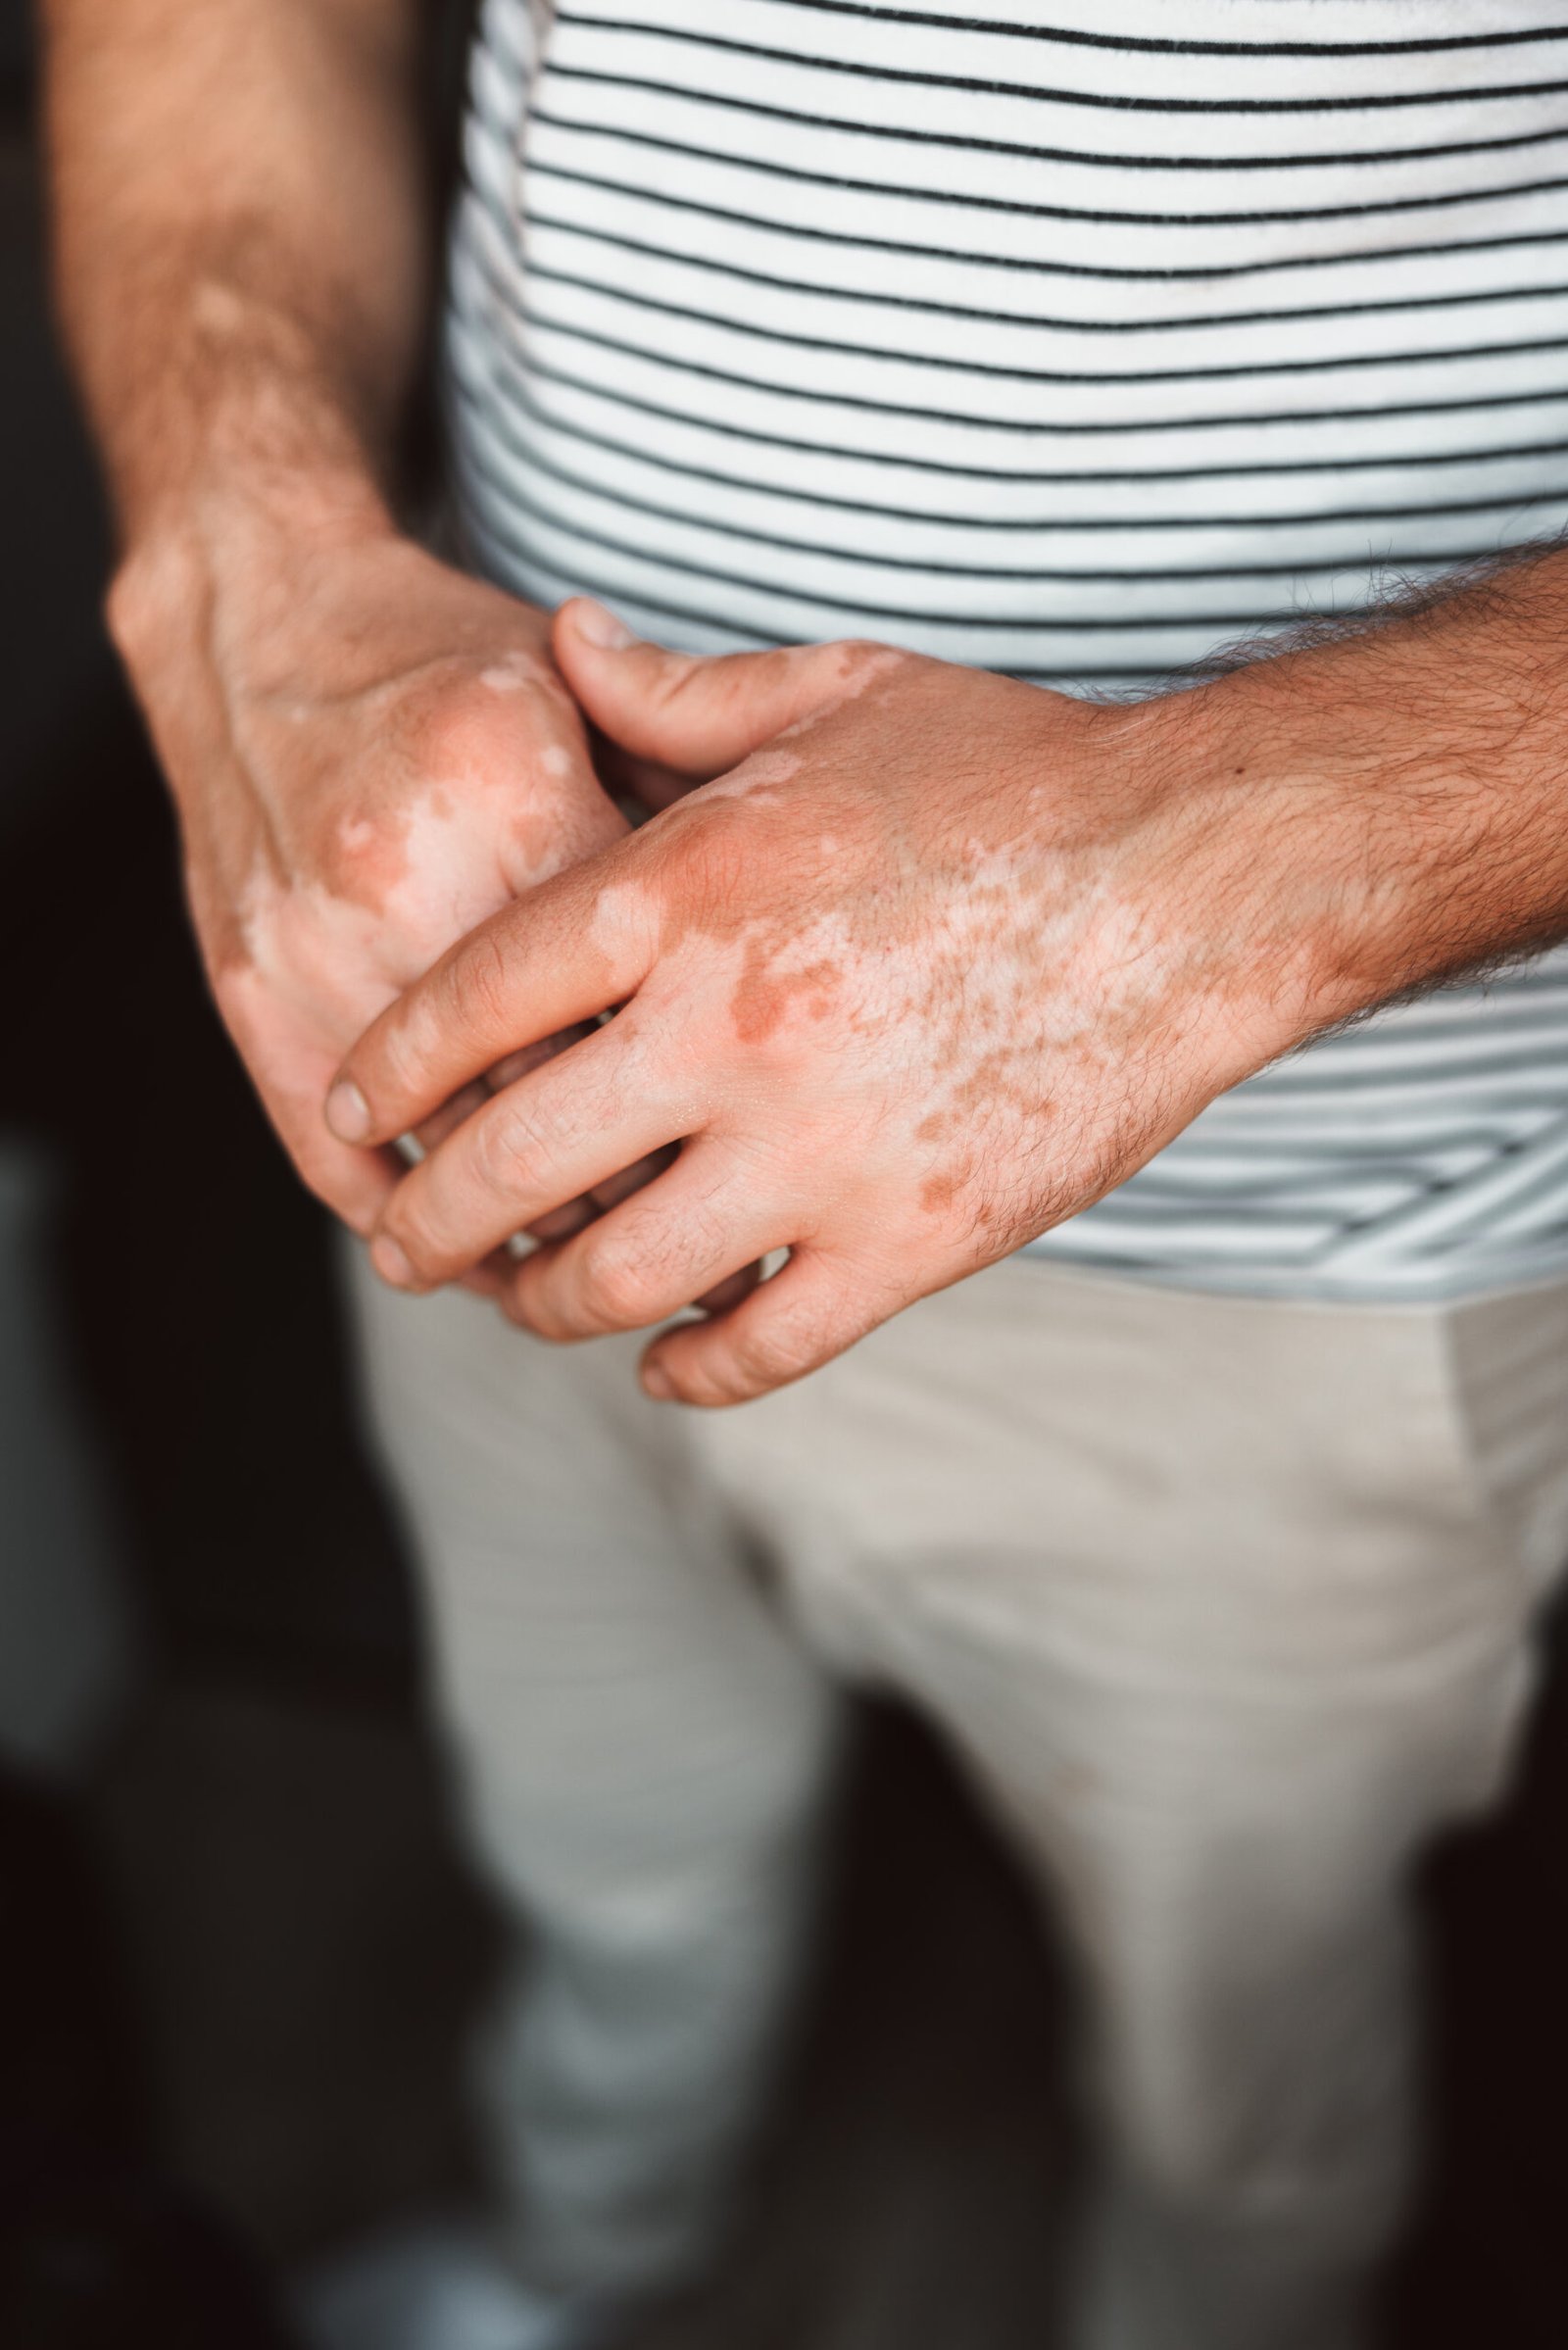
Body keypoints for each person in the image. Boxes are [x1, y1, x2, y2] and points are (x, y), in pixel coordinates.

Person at [42, 2, 1568, 2345]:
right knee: (597, 1831)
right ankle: (587, 2240)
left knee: (1234, 2087)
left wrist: (1194, 864)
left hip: (1296, 1248)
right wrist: (242, 562)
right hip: (481, 1014)